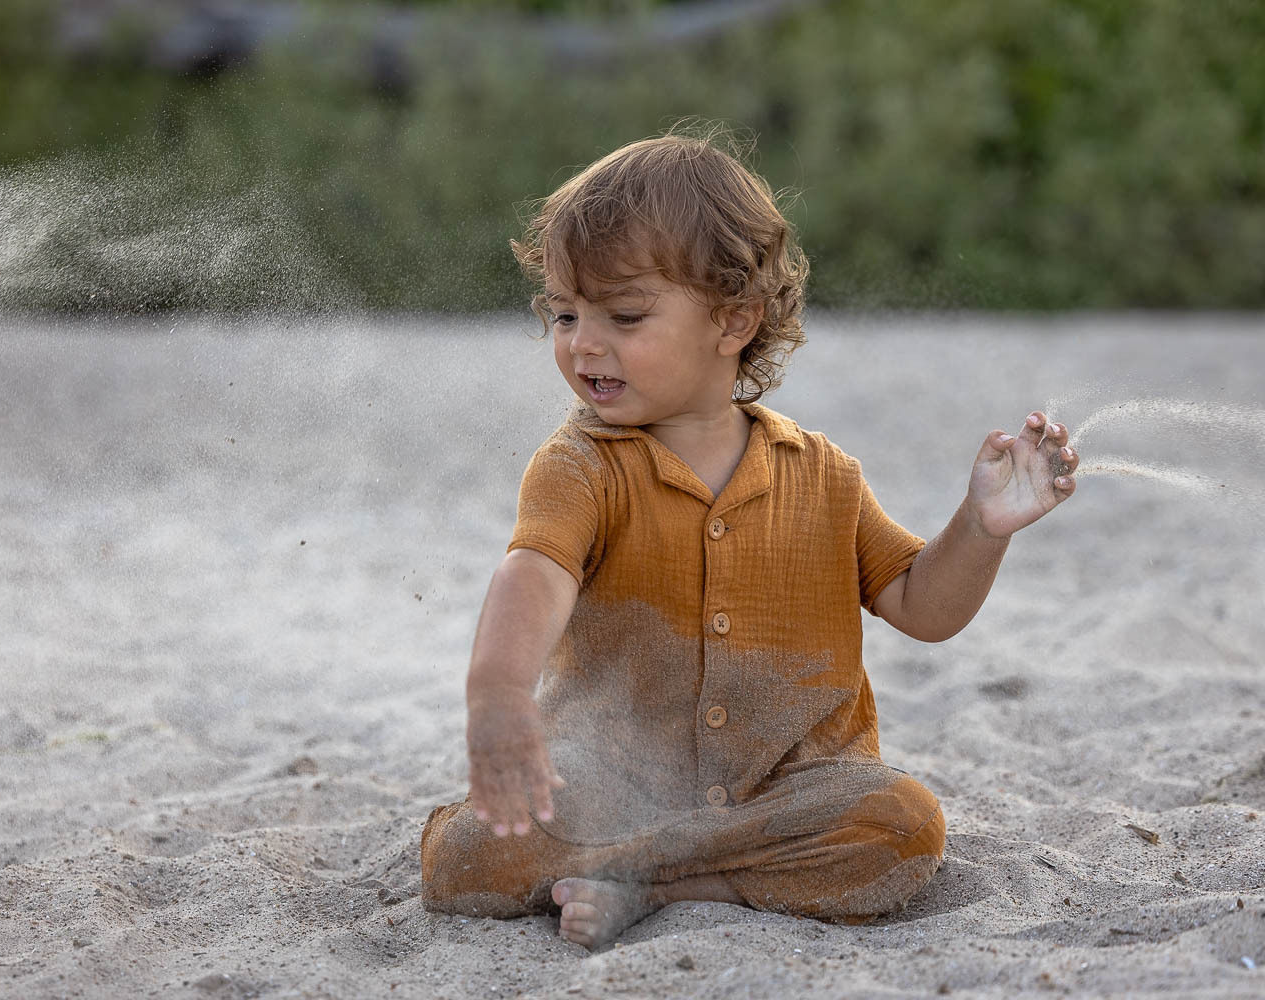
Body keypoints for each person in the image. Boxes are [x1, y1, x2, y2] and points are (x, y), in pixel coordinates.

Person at [419, 125, 1078, 951]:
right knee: (467, 860)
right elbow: (534, 575)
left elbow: (922, 604)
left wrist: (981, 527)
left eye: (624, 315)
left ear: (733, 321)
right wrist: (498, 694)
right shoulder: (579, 466)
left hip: (789, 791)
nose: (584, 343)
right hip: (617, 785)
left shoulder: (823, 474)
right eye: (563, 313)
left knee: (903, 824)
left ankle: (666, 882)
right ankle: (655, 866)